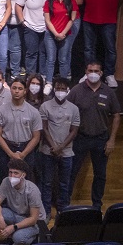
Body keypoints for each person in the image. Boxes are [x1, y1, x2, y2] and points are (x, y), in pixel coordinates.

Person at [67, 62, 121, 210]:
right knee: (71, 172)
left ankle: (97, 206)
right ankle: (65, 204)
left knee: (100, 175)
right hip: (80, 139)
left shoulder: (108, 92)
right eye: (90, 70)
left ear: (101, 73)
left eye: (96, 71)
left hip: (101, 139)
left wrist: (112, 140)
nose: (93, 73)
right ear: (86, 72)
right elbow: (66, 111)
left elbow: (116, 115)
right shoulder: (76, 90)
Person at [38, 78, 80, 217]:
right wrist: (54, 147)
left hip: (67, 152)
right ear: (54, 89)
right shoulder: (45, 106)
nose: (60, 91)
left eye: (63, 89)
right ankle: (46, 211)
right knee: (46, 183)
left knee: (64, 183)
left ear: (68, 90)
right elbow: (44, 128)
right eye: (58, 88)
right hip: (47, 151)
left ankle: (63, 210)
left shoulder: (74, 109)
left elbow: (74, 131)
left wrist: (61, 147)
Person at [0, 77, 43, 180]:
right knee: (5, 179)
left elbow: (36, 137)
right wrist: (10, 154)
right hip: (6, 148)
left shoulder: (34, 112)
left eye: (20, 89)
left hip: (26, 149)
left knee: (27, 180)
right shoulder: (0, 111)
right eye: (14, 88)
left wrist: (23, 154)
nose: (16, 91)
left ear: (25, 91)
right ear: (10, 89)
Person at [0, 158, 45, 245]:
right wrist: (0, 219)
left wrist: (14, 227)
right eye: (10, 172)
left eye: (16, 173)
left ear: (23, 175)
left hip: (33, 221)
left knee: (19, 238)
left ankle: (32, 237)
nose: (12, 176)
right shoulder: (6, 181)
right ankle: (11, 237)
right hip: (16, 214)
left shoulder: (32, 190)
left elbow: (33, 219)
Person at [43, 0, 77, 83]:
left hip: (66, 34)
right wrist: (56, 34)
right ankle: (48, 82)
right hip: (51, 34)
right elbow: (48, 21)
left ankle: (63, 84)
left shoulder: (71, 1)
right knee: (50, 60)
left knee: (63, 60)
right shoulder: (48, 2)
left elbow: (72, 19)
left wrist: (62, 33)